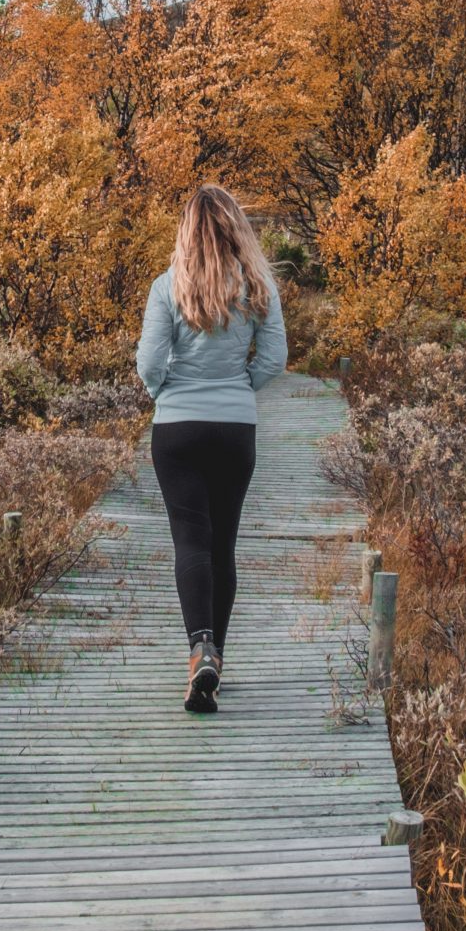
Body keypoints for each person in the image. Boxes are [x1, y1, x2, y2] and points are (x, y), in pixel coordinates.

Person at [135, 183, 288, 713]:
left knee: (190, 543)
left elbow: (150, 364)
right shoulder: (257, 285)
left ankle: (199, 646)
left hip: (177, 430)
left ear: (187, 231)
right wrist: (238, 388)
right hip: (233, 428)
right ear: (235, 227)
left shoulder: (166, 287)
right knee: (223, 545)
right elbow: (274, 359)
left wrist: (167, 395)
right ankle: (214, 659)